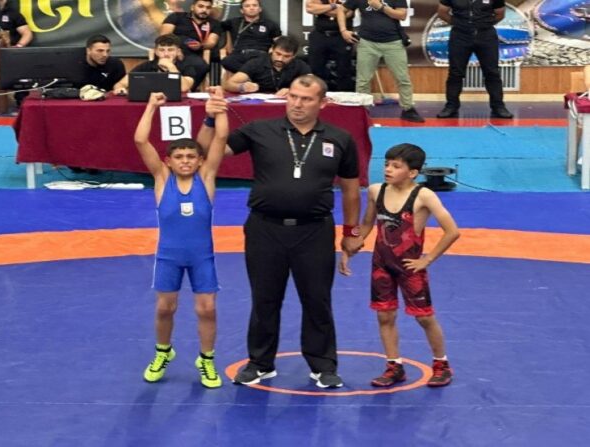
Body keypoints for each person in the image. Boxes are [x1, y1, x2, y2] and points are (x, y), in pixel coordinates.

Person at [199, 74, 363, 388]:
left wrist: (351, 232)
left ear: (323, 103)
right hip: (265, 229)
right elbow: (206, 152)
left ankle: (323, 365)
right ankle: (260, 363)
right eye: (293, 97)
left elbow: (351, 190)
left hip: (314, 231)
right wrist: (210, 118)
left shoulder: (340, 139)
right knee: (264, 299)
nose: (297, 104)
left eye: (306, 99)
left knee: (317, 300)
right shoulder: (260, 130)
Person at [340, 143, 460, 387]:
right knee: (384, 316)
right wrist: (350, 248)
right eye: (386, 164)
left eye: (396, 166)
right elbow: (367, 223)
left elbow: (452, 231)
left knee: (424, 318)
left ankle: (442, 365)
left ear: (412, 172)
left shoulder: (424, 196)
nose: (388, 169)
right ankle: (394, 366)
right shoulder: (376, 191)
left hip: (409, 267)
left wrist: (427, 259)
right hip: (381, 264)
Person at [134, 87, 229, 388]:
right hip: (169, 257)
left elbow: (221, 137)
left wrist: (219, 104)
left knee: (207, 309)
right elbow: (140, 140)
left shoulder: (206, 178)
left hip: (202, 257)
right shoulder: (162, 180)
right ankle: (163, 352)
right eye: (179, 157)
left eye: (191, 156)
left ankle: (206, 360)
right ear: (169, 161)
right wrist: (151, 105)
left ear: (200, 160)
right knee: (165, 308)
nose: (185, 161)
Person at [336, 0, 425, 123]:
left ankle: (408, 109)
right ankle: (363, 111)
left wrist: (381, 7)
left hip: (393, 43)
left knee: (402, 78)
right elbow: (341, 9)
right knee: (363, 80)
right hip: (367, 43)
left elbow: (402, 15)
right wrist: (343, 30)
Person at [435, 0, 513, 119]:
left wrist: (484, 24)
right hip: (460, 36)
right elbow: (442, 12)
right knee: (455, 72)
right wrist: (459, 24)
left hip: (486, 36)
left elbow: (500, 14)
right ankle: (451, 106)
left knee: (492, 72)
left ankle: (498, 106)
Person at [160, 0, 222, 90]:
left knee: (201, 65)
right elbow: (164, 36)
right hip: (172, 51)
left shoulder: (214, 23)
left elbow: (211, 42)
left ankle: (187, 89)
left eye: (208, 8)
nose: (204, 10)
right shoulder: (176, 16)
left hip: (195, 53)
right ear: (192, 7)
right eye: (201, 6)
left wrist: (200, 46)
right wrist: (176, 50)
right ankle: (169, 89)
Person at [222, 36, 311, 97]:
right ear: (271, 50)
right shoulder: (257, 62)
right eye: (278, 54)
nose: (280, 59)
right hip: (259, 103)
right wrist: (242, 87)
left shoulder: (300, 65)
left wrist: (292, 91)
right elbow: (228, 84)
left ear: (294, 56)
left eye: (286, 56)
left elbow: (313, 85)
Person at [113, 34, 196, 94]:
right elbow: (120, 84)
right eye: (162, 50)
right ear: (156, 52)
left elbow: (184, 88)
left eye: (170, 50)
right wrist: (120, 89)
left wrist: (171, 66)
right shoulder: (146, 66)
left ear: (178, 51)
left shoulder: (187, 66)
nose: (166, 54)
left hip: (177, 104)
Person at [305, 0, 355, 92]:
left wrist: (321, 8)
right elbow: (310, 8)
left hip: (341, 36)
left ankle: (344, 96)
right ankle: (316, 94)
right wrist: (333, 6)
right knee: (316, 68)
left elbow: (347, 13)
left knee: (344, 70)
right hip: (320, 35)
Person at [220, 0, 281, 74]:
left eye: (254, 5)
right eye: (247, 6)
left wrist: (272, 50)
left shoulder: (270, 25)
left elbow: (280, 42)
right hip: (240, 55)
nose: (251, 8)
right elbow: (215, 26)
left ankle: (246, 76)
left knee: (263, 63)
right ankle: (254, 76)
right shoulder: (233, 22)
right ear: (242, 10)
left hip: (260, 55)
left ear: (260, 9)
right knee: (226, 61)